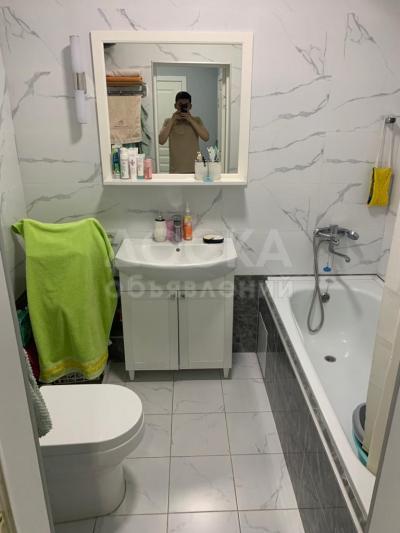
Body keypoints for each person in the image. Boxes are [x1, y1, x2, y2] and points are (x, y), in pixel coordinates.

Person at [158, 91, 209, 173]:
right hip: (175, 170)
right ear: (175, 106)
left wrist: (191, 120)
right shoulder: (168, 121)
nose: (183, 107)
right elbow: (161, 141)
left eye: (186, 105)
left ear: (190, 106)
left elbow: (206, 137)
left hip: (195, 169)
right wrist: (172, 120)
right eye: (180, 105)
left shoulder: (197, 120)